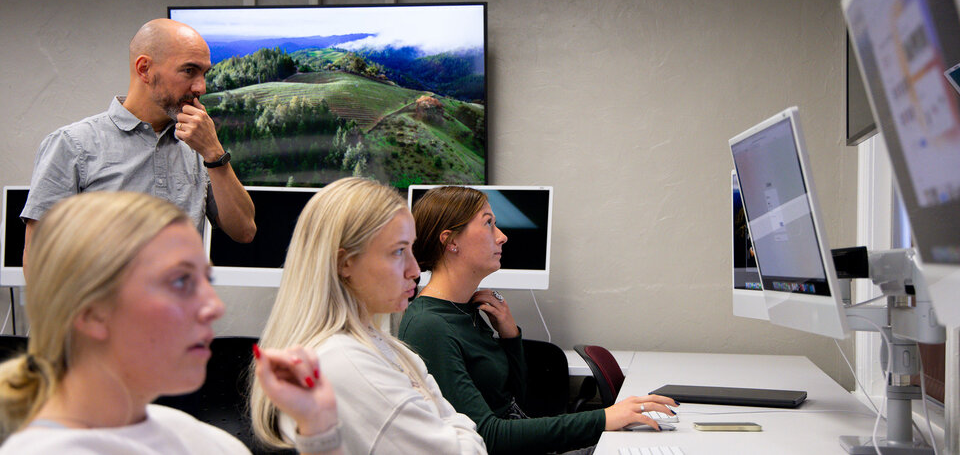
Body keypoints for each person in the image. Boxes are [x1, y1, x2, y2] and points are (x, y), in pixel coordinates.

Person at [0, 191, 340, 454]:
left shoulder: (203, 441)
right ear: (90, 310)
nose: (214, 306)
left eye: (207, 280)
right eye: (180, 281)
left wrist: (319, 427)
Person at [398, 186, 678, 455]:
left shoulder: (466, 309)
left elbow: (514, 403)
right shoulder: (430, 326)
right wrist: (604, 419)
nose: (502, 236)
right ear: (450, 241)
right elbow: (487, 436)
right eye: (488, 224)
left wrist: (510, 336)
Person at [250, 177, 487, 454]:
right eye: (398, 251)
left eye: (412, 249)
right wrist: (455, 425)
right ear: (345, 263)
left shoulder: (386, 347)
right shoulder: (346, 361)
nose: (414, 270)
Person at [20, 18, 256, 273]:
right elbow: (38, 263)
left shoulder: (197, 146)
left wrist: (213, 152)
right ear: (144, 69)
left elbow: (244, 230)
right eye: (189, 71)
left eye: (204, 73)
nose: (201, 87)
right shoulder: (72, 145)